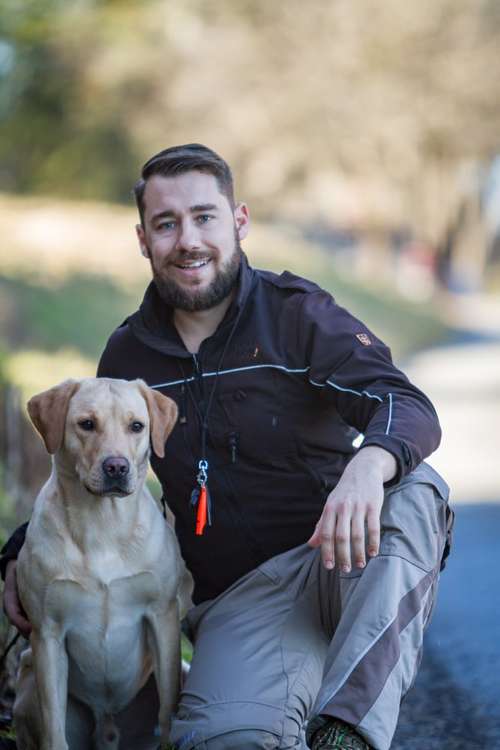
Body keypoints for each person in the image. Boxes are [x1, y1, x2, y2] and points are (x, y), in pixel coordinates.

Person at [2, 144, 452, 750]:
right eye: (167, 224)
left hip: (345, 555)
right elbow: (97, 469)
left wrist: (367, 468)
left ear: (238, 222)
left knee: (416, 489)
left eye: (204, 216)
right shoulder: (128, 358)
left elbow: (407, 403)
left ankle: (347, 726)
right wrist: (18, 555)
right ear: (144, 240)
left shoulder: (298, 317)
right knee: (227, 740)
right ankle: (294, 686)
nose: (188, 239)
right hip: (246, 600)